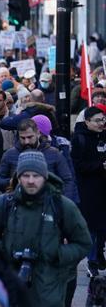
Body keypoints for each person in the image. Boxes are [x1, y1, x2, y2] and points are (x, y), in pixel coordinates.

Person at [0, 152, 91, 307]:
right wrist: (4, 249)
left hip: (49, 289)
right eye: (26, 175)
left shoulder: (62, 206)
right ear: (18, 177)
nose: (30, 181)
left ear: (45, 176)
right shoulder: (3, 205)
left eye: (36, 175)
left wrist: (57, 254)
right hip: (9, 286)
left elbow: (83, 243)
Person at [0, 119, 78, 201]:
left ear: (38, 133)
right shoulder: (10, 154)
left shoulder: (54, 154)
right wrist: (11, 182)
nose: (26, 142)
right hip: (19, 203)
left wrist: (64, 202)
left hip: (48, 203)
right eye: (23, 138)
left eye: (30, 137)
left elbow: (68, 180)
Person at [71, 106, 106, 271]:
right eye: (97, 120)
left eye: (103, 119)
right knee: (92, 226)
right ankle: (92, 261)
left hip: (103, 188)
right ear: (87, 122)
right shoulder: (79, 139)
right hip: (89, 190)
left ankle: (100, 254)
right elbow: (78, 165)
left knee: (103, 227)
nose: (101, 123)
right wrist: (100, 166)